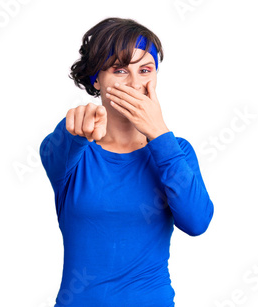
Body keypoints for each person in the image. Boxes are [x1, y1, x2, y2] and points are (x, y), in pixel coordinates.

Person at [39, 17, 214, 306]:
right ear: (97, 79)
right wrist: (76, 130)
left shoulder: (176, 150)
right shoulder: (74, 149)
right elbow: (59, 147)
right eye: (119, 70)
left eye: (145, 70)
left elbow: (196, 222)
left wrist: (159, 134)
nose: (134, 83)